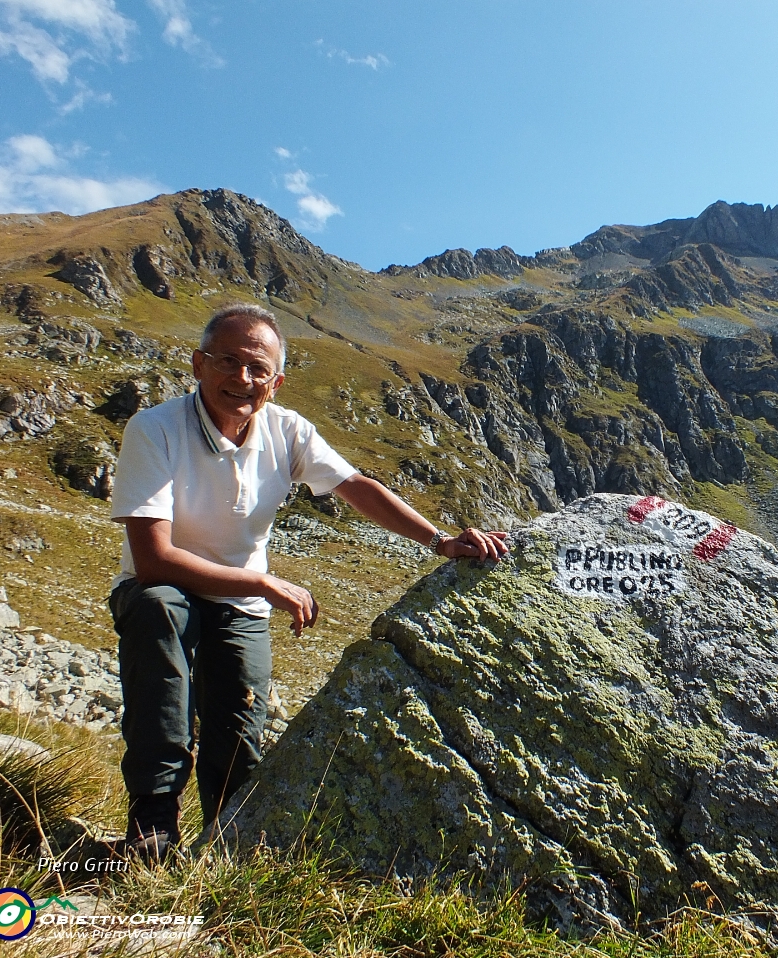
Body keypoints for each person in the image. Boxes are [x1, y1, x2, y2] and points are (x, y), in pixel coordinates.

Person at [108, 302, 508, 859]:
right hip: (166, 589)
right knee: (158, 614)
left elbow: (356, 487)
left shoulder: (287, 430)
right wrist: (265, 585)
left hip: (237, 602)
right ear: (198, 364)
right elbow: (152, 560)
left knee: (239, 727)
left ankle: (223, 850)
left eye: (258, 369)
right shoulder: (154, 430)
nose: (241, 379)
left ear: (276, 382)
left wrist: (439, 541)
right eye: (227, 361)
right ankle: (152, 828)